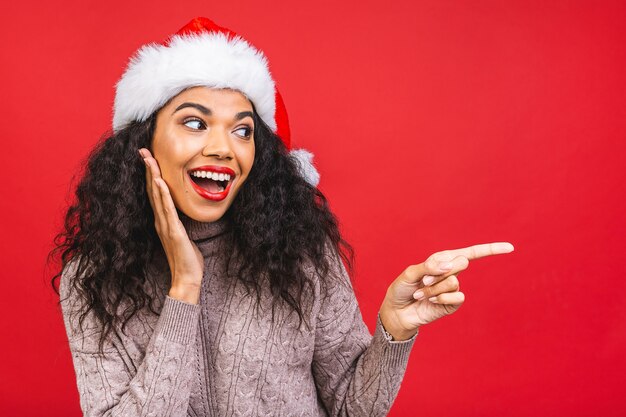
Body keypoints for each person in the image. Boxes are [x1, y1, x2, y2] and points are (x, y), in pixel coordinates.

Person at [50, 17, 514, 417]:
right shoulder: (91, 279)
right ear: (143, 141)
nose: (222, 147)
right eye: (195, 122)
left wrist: (394, 330)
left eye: (242, 130)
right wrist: (184, 289)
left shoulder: (299, 249)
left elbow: (352, 408)